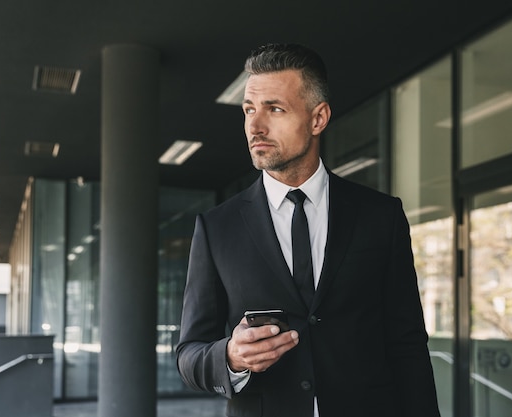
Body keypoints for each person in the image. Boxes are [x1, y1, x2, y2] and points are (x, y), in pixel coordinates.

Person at [176, 43, 441, 417]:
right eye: (249, 110)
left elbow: (407, 343)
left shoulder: (381, 216)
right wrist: (231, 357)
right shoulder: (217, 227)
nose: (255, 126)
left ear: (318, 119)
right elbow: (189, 354)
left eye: (275, 109)